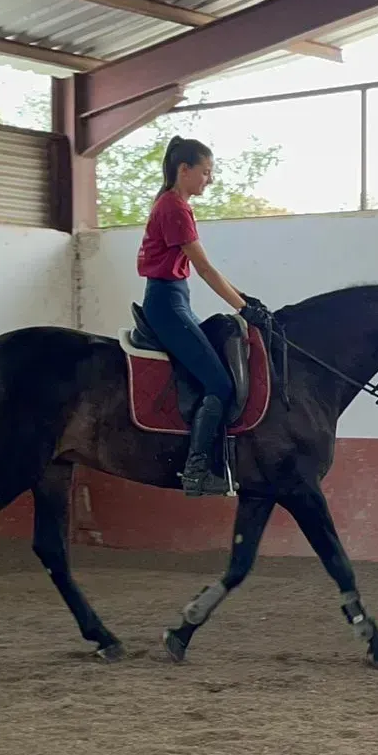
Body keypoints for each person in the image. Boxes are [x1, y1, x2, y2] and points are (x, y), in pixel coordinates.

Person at [137, 135, 273, 497]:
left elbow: (207, 269)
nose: (209, 179)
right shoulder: (173, 208)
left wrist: (245, 298)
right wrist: (242, 308)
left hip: (175, 299)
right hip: (167, 303)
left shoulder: (176, 204)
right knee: (220, 385)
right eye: (206, 172)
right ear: (185, 169)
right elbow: (206, 269)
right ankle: (196, 469)